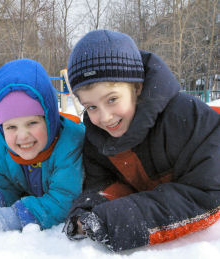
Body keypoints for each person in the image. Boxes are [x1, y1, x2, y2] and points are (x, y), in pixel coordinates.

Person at [63, 29, 220, 251]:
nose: (105, 117)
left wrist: (116, 219)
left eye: (112, 99)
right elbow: (104, 186)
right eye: (91, 107)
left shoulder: (187, 119)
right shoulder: (98, 140)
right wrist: (88, 211)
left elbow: (207, 196)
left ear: (137, 87)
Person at [0, 59, 84, 231]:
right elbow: (1, 184)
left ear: (49, 118)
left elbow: (65, 199)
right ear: (1, 127)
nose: (22, 136)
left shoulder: (70, 144)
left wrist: (13, 217)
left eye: (32, 123)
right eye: (11, 127)